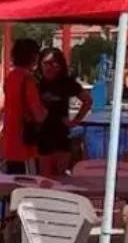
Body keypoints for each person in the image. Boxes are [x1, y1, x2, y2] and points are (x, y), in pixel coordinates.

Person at [36, 48, 93, 176]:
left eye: (55, 63)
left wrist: (75, 121)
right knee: (44, 176)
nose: (50, 67)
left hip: (61, 133)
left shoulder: (67, 83)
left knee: (60, 176)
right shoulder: (36, 82)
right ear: (40, 64)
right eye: (46, 63)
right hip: (40, 134)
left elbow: (87, 100)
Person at [0, 38, 47, 174]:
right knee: (28, 188)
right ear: (33, 57)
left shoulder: (11, 77)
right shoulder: (28, 79)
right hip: (25, 146)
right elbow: (38, 115)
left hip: (9, 142)